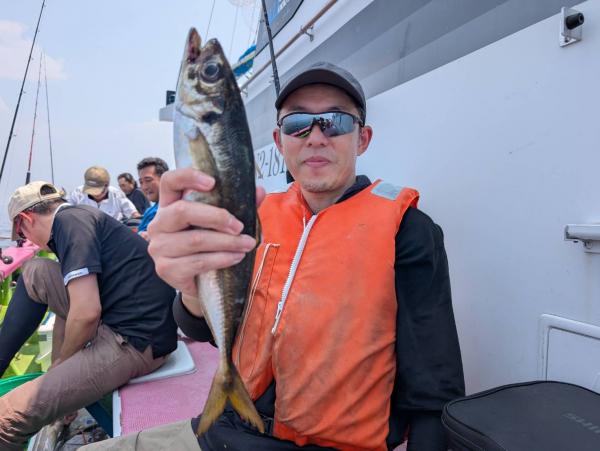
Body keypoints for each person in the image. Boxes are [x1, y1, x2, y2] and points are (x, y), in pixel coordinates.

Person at [84, 63, 464, 451]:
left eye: (335, 122)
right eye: (298, 123)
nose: (316, 137)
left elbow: (434, 389)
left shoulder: (408, 231)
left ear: (362, 139)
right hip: (222, 430)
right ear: (279, 141)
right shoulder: (254, 216)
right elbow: (202, 330)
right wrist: (192, 291)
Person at [0, 181, 178, 450]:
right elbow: (70, 308)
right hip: (125, 321)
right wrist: (59, 368)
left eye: (21, 234)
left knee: (5, 420)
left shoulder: (70, 225)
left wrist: (62, 364)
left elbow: (86, 313)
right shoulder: (76, 218)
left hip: (133, 341)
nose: (26, 241)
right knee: (36, 271)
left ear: (26, 219)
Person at [68, 165, 140, 221]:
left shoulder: (117, 195)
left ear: (107, 185)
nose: (95, 194)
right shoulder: (77, 194)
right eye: (92, 190)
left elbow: (134, 214)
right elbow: (65, 212)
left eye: (97, 190)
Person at [136, 157, 169, 238]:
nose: (144, 187)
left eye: (148, 180)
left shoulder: (173, 208)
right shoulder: (150, 210)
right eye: (141, 182)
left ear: (165, 179)